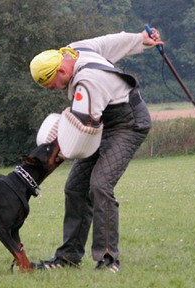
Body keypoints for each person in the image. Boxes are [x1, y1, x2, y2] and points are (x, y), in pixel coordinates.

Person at [29, 28, 164, 272]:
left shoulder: (88, 82)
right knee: (74, 187)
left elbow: (80, 131)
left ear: (61, 70)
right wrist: (139, 40)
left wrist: (55, 154)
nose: (53, 90)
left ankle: (108, 260)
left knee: (100, 185)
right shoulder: (76, 49)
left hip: (127, 124)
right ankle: (68, 258)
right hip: (99, 123)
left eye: (52, 85)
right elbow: (113, 41)